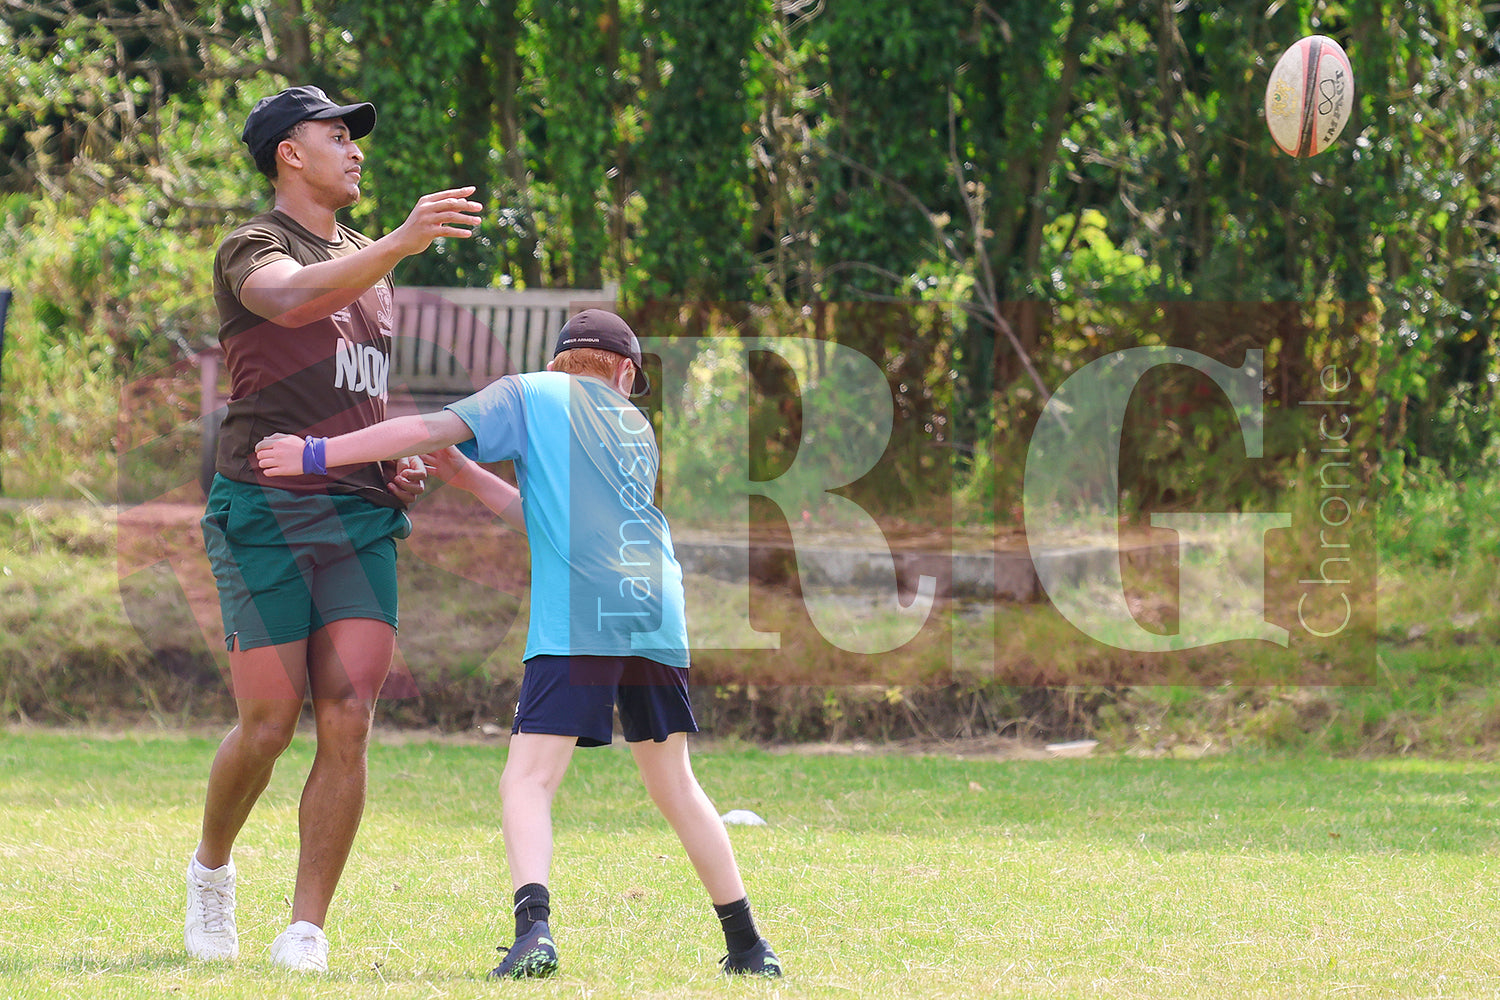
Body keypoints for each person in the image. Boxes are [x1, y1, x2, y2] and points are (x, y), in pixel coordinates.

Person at [254, 309, 783, 979]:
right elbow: (551, 520)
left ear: (562, 360)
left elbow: (423, 428)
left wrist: (313, 453)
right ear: (623, 371)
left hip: (581, 613)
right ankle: (748, 946)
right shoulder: (634, 426)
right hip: (657, 610)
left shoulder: (529, 392)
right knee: (675, 782)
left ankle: (534, 932)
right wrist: (469, 477)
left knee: (527, 780)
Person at [186, 84, 483, 973]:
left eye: (355, 136)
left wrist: (387, 455)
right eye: (336, 134)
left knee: (348, 715)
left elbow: (360, 386)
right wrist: (398, 243)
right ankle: (211, 872)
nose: (355, 149)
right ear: (290, 152)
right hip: (262, 510)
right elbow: (288, 301)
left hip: (359, 512)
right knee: (270, 722)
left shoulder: (367, 257)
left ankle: (306, 928)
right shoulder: (256, 244)